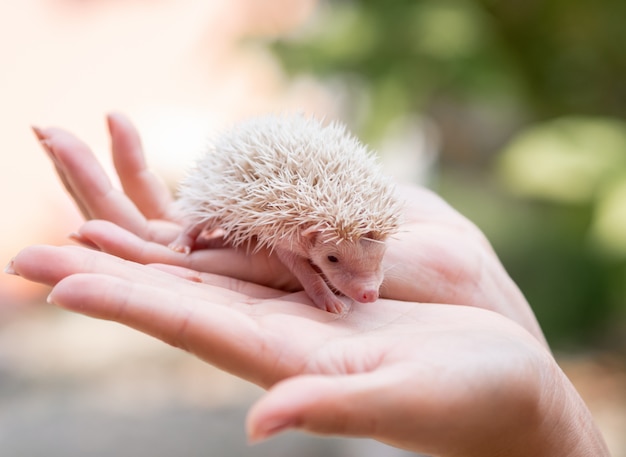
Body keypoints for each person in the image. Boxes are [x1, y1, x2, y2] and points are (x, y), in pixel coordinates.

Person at [6, 113, 610, 456]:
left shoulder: (344, 236)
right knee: (223, 234)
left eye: (370, 268)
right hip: (258, 210)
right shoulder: (293, 226)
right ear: (307, 231)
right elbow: (295, 259)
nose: (364, 290)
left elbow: (327, 266)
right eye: (339, 263)